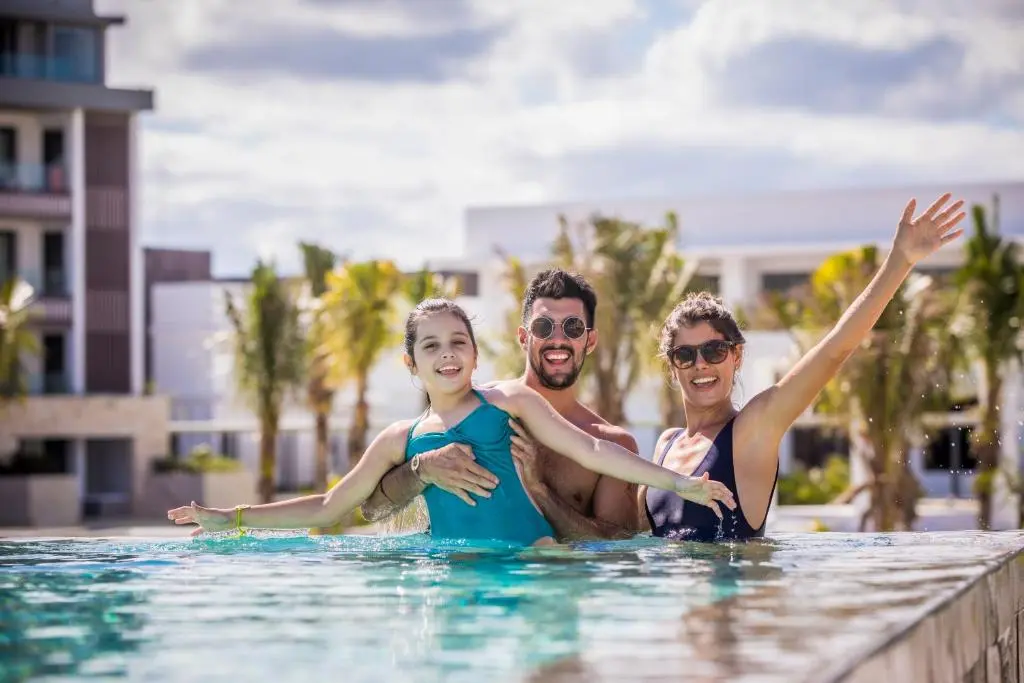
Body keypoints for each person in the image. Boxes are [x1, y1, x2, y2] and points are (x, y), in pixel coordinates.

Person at [167, 298, 736, 546]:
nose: (448, 355)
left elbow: (593, 452)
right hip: (458, 567)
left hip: (537, 560)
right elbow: (328, 507)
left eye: (458, 342)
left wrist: (680, 483)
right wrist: (229, 518)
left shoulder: (509, 403)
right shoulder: (401, 439)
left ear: (475, 353)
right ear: (410, 363)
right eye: (432, 345)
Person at [613, 192, 963, 541]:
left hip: (733, 596)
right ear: (673, 367)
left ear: (736, 357)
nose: (700, 364)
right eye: (685, 355)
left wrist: (899, 261)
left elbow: (833, 352)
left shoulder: (753, 428)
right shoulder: (666, 444)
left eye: (714, 350)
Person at [359, 269, 644, 540]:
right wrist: (420, 470)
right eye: (543, 327)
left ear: (590, 341)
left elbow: (618, 547)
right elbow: (372, 510)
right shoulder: (470, 410)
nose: (558, 340)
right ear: (523, 338)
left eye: (573, 327)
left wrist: (541, 491)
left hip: (557, 584)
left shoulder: (611, 445)